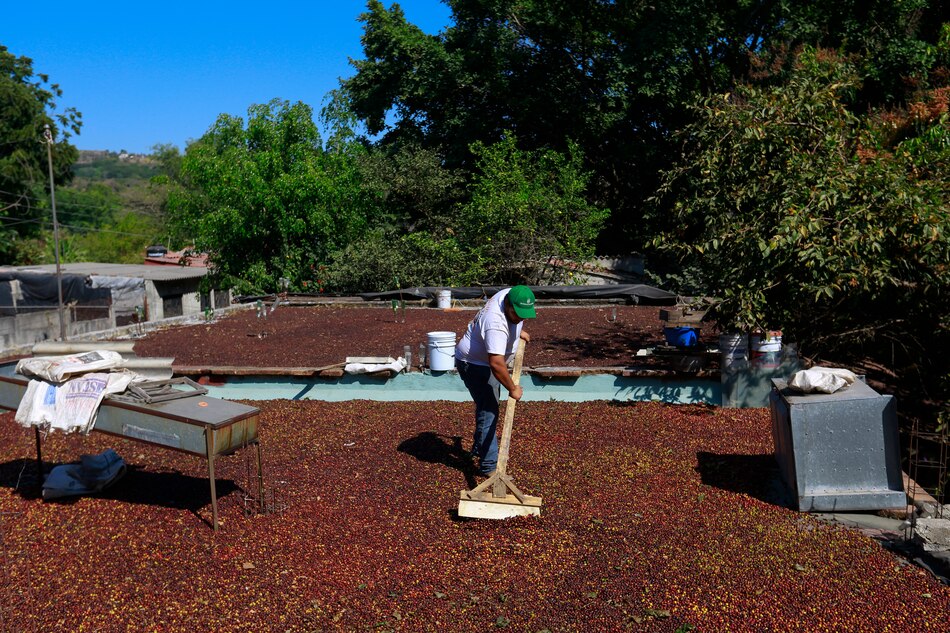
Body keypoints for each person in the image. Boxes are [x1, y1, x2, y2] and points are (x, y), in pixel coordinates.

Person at [454, 285, 536, 475]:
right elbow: (497, 364)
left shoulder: (511, 293)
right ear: (507, 305)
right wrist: (513, 388)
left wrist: (516, 333)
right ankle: (489, 466)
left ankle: (478, 448)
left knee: (487, 408)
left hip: (483, 359)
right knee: (489, 412)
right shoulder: (495, 323)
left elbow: (514, 320)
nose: (521, 318)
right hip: (475, 365)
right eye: (518, 314)